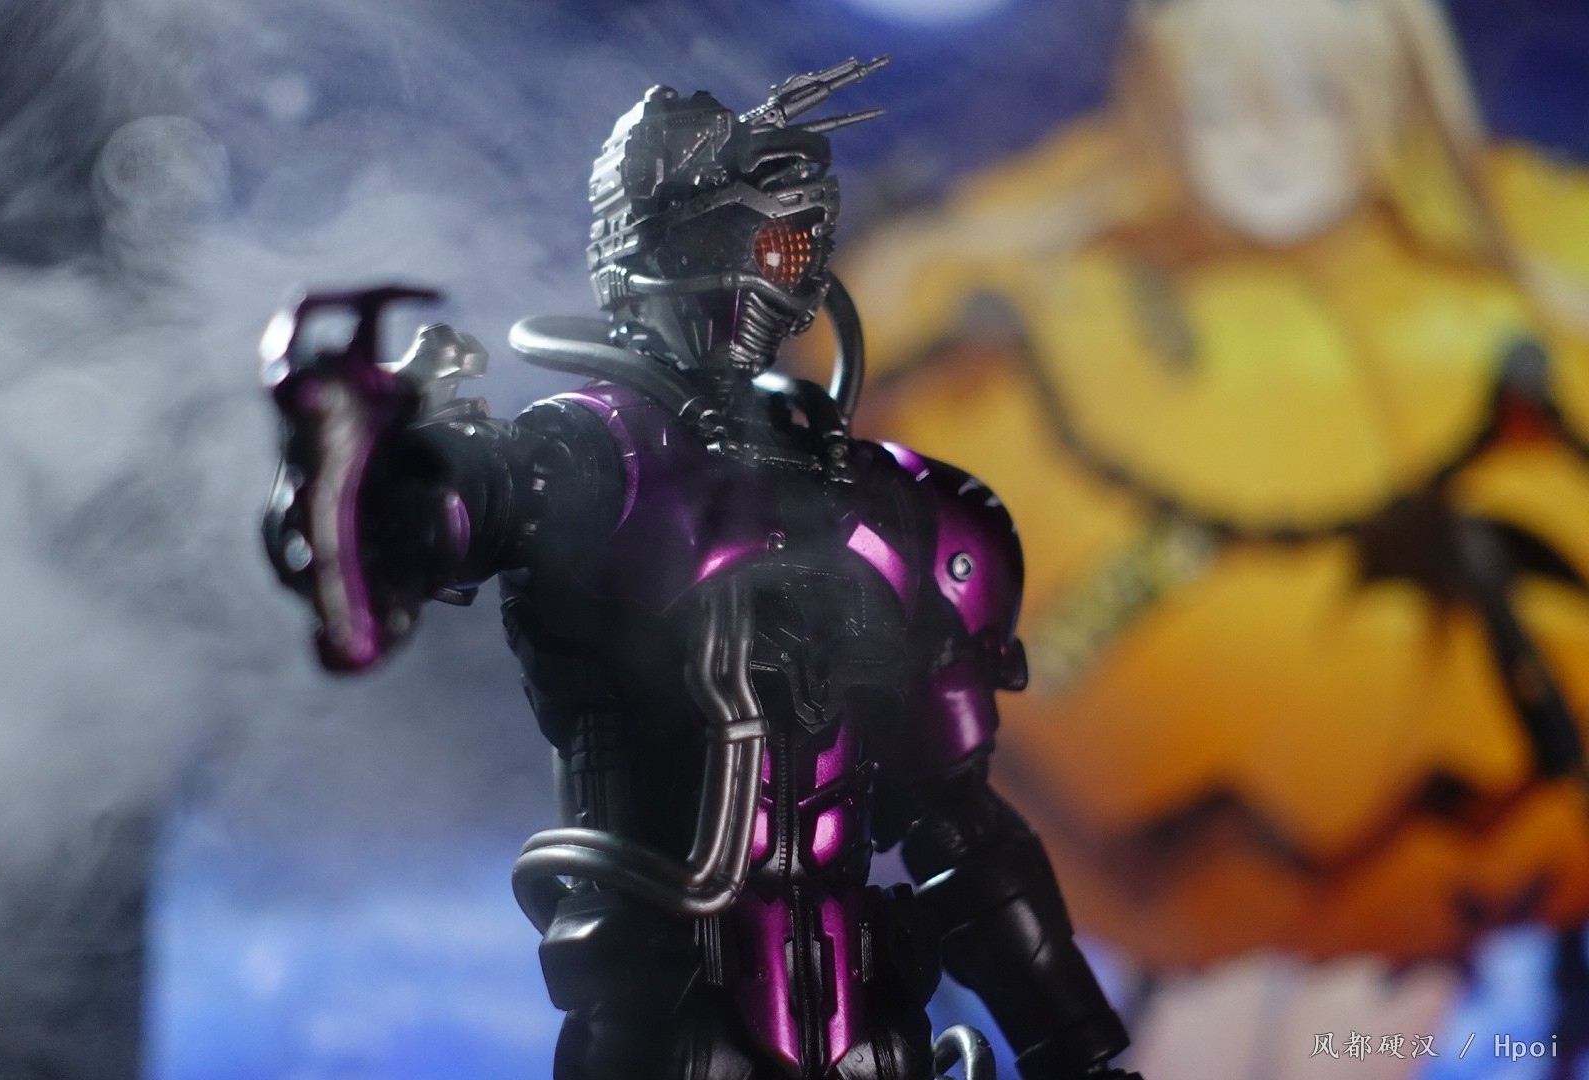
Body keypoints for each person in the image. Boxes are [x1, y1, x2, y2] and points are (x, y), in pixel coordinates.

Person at [261, 61, 1141, 1080]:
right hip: (668, 1033)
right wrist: (360, 465)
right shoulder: (585, 461)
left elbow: (964, 834)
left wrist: (1077, 1054)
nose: (772, 274)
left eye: (793, 244)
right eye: (751, 241)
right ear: (659, 247)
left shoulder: (895, 508)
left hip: (871, 1039)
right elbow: (416, 529)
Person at [832, 0, 1589, 976]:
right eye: (1220, 99)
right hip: (1122, 879)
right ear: (1164, 99)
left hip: (1469, 882)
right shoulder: (1029, 278)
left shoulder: (1519, 266)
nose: (1266, 135)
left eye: (1315, 95)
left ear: (1393, 93)